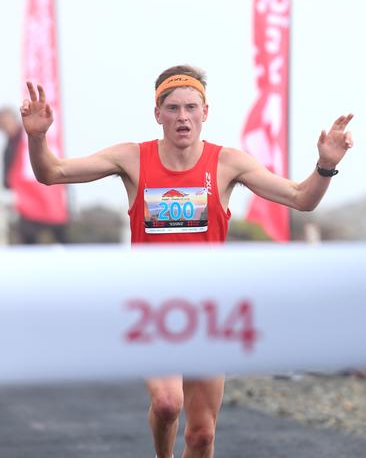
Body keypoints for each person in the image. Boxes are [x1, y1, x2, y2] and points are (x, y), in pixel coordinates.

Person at [21, 65, 353, 458]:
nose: (183, 117)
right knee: (166, 403)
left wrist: (326, 166)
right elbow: (51, 173)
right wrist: (37, 137)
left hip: (207, 309)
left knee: (202, 437)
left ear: (205, 112)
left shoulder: (228, 163)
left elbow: (301, 198)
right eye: (173, 108)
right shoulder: (132, 158)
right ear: (157, 113)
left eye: (191, 108)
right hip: (152, 306)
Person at [0, 107, 68, 244]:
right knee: (28, 237)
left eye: (5, 123)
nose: (4, 128)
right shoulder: (10, 145)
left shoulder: (30, 138)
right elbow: (8, 174)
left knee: (59, 235)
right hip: (27, 200)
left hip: (45, 192)